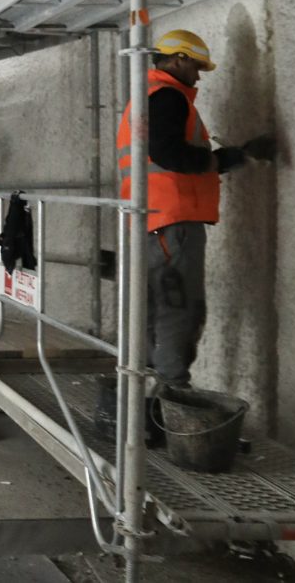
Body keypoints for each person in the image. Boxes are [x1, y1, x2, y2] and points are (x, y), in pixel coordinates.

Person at [116, 29, 276, 388]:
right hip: (174, 224)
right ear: (179, 59)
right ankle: (173, 398)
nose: (199, 75)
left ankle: (142, 401)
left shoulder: (144, 97)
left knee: (152, 311)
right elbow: (170, 154)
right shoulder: (169, 96)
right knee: (180, 312)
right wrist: (220, 159)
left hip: (148, 222)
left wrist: (229, 158)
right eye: (197, 66)